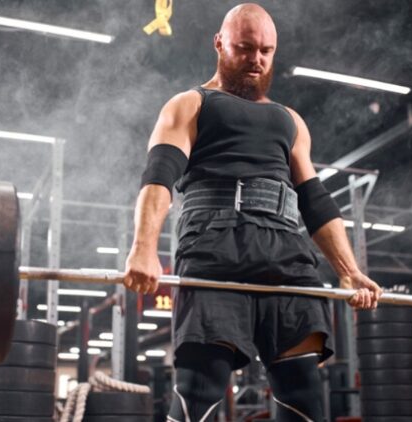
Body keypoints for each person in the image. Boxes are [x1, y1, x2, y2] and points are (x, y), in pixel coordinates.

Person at [123, 3, 382, 421]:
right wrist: (143, 248)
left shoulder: (290, 120)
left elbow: (315, 200)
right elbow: (158, 177)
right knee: (199, 389)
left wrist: (349, 270)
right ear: (219, 43)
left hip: (287, 254)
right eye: (244, 48)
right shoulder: (190, 104)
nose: (256, 60)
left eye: (266, 50)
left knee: (305, 395)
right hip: (213, 250)